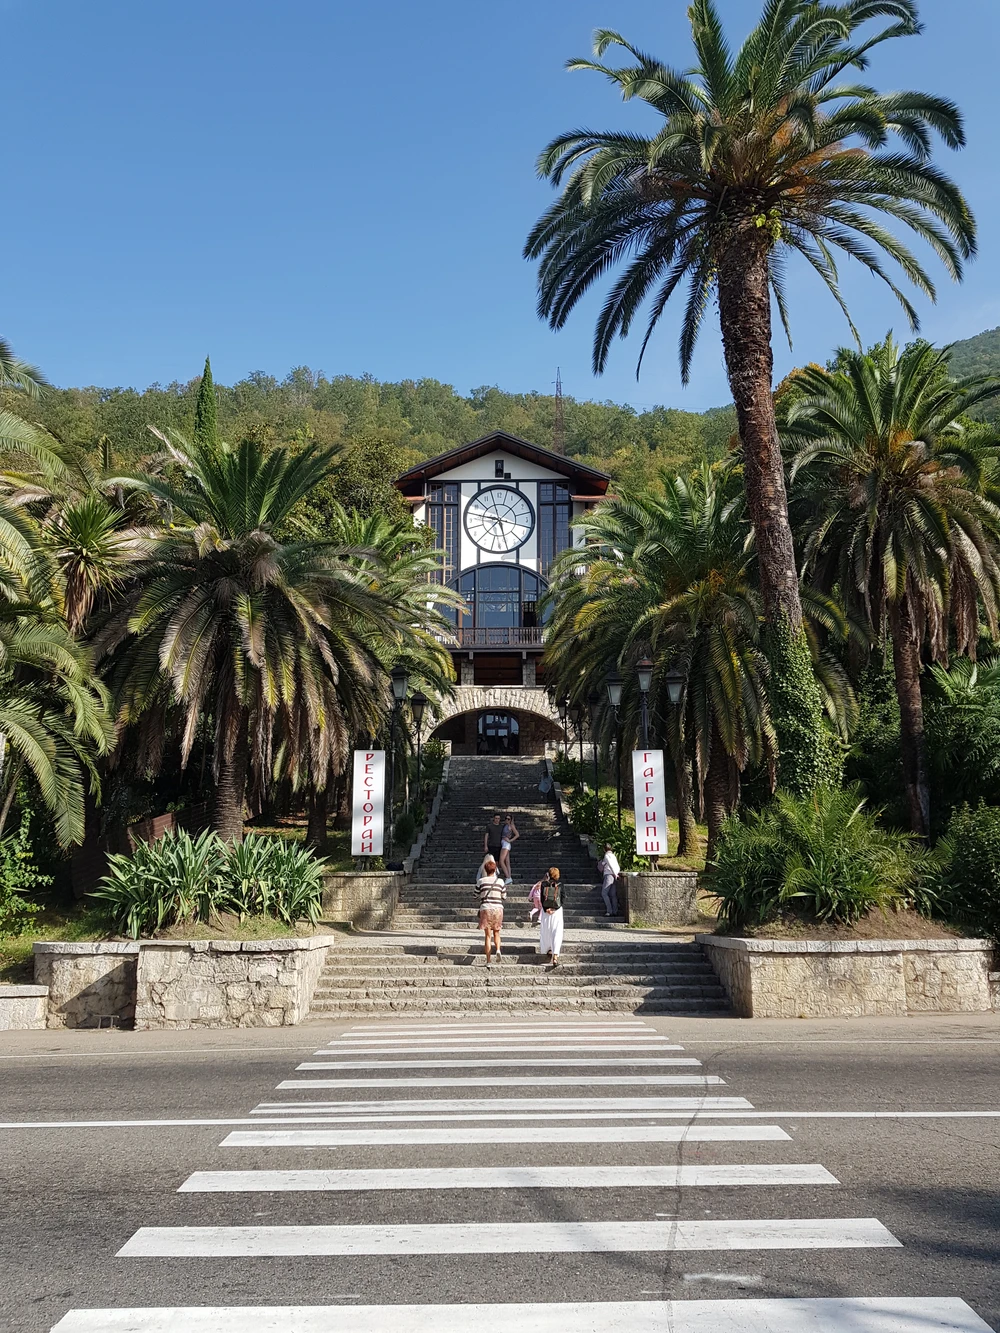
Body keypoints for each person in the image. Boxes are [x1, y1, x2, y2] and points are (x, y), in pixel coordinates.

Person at [476, 858, 507, 965]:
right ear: (495, 870)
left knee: (488, 935)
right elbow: (504, 896)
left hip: (486, 909)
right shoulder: (500, 881)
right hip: (498, 909)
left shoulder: (481, 881)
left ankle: (488, 960)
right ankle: (498, 949)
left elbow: (475, 895)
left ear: (485, 869)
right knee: (497, 932)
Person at [536, 866, 565, 968]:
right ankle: (555, 955)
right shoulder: (560, 885)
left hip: (546, 911)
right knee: (557, 932)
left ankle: (548, 949)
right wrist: (555, 909)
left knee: (547, 930)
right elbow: (562, 899)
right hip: (557, 911)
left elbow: (541, 899)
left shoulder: (544, 884)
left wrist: (546, 909)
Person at [598, 843, 621, 917]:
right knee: (613, 894)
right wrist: (616, 873)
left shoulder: (607, 856)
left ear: (604, 849)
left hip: (609, 875)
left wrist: (614, 874)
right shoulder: (613, 855)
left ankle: (609, 911)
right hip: (614, 875)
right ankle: (615, 911)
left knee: (604, 893)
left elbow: (610, 865)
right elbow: (617, 865)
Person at [498, 812, 519, 885]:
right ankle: (509, 877)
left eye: (508, 819)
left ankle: (508, 877)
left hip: (506, 844)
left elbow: (517, 834)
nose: (507, 820)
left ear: (511, 820)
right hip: (504, 843)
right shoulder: (505, 825)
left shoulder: (511, 826)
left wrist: (510, 840)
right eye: (506, 819)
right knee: (507, 862)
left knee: (501, 861)